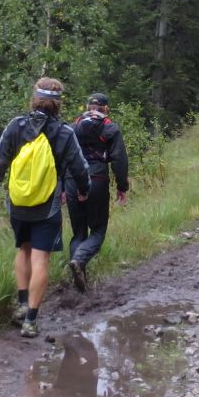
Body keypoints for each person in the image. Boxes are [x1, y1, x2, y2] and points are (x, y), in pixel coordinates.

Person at [0, 77, 90, 339]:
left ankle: (21, 305)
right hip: (47, 205)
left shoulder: (16, 126)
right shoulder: (64, 132)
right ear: (58, 104)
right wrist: (84, 189)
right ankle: (30, 320)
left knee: (23, 249)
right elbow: (79, 167)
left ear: (34, 100)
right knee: (41, 258)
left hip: (18, 203)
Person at [66, 92, 130, 291]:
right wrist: (122, 187)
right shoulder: (110, 127)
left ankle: (79, 281)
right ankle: (79, 260)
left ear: (87, 108)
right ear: (106, 109)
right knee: (98, 231)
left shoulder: (72, 127)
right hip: (97, 180)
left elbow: (62, 157)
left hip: (72, 180)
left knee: (78, 233)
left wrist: (61, 186)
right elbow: (119, 159)